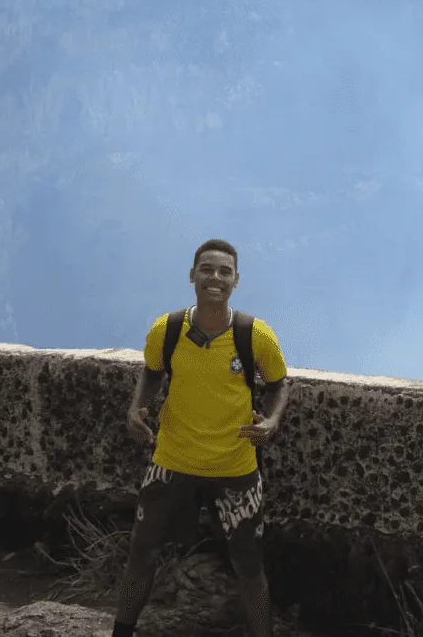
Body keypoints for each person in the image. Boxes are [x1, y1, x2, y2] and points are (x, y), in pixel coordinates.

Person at [111, 238, 291, 637]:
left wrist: (272, 420)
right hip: (172, 460)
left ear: (236, 280)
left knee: (248, 566)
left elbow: (279, 383)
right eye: (207, 269)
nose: (215, 278)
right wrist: (136, 408)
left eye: (225, 272)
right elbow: (152, 371)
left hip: (235, 466)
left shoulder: (254, 336)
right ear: (192, 275)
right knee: (142, 552)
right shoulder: (168, 329)